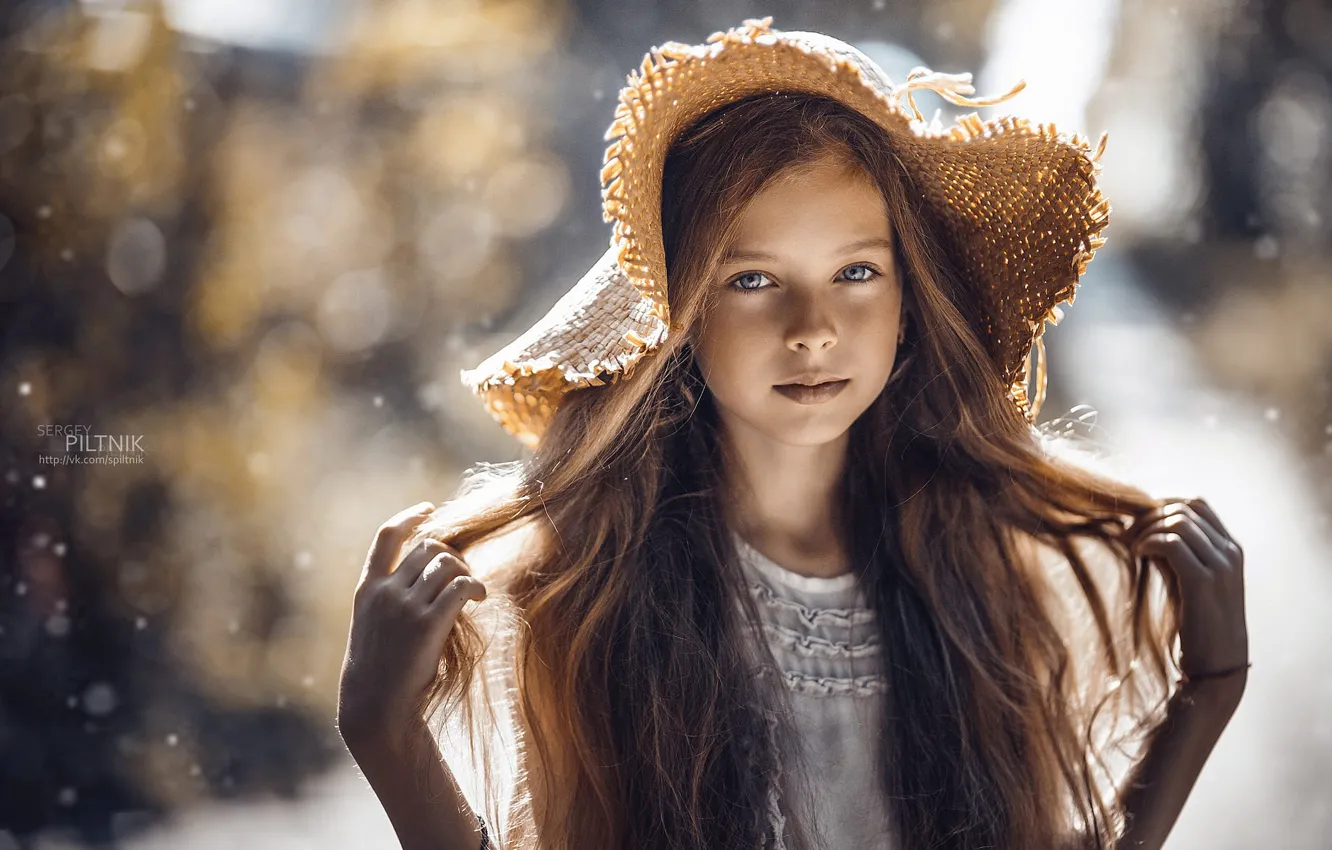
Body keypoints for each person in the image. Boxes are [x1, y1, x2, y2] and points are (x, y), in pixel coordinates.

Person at [335, 18, 1248, 850]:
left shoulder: (975, 573)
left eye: (855, 270)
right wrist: (385, 735)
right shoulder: (598, 594)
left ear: (909, 301)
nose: (812, 327)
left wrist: (1209, 696)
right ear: (682, 316)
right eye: (753, 280)